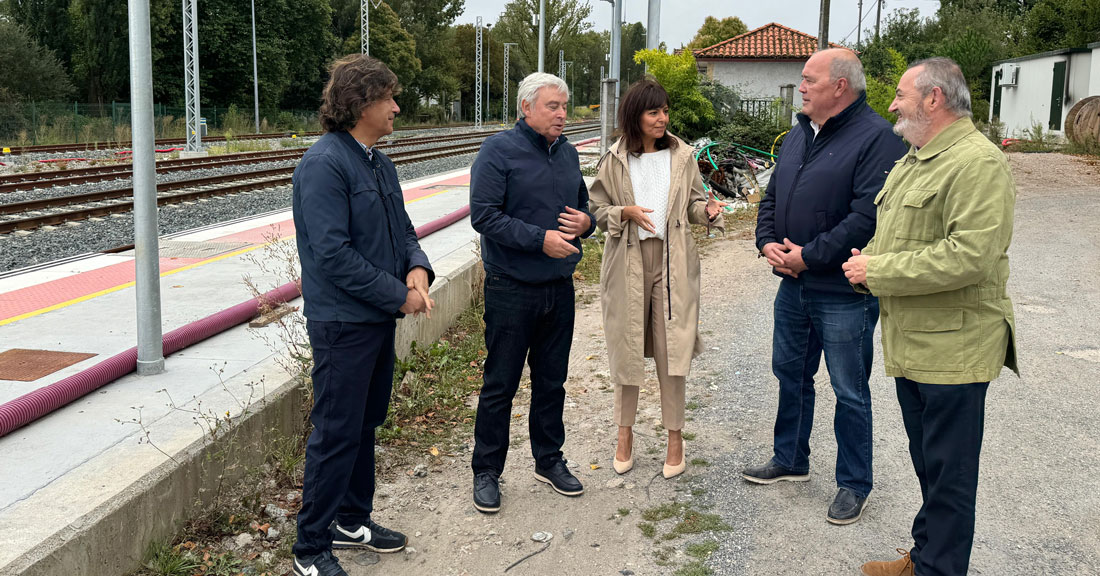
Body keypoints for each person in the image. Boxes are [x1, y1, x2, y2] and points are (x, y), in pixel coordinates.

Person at [845, 57, 1018, 576]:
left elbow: (970, 256)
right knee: (931, 471)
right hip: (918, 345)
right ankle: (924, 560)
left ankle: (938, 571)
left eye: (900, 94)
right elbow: (895, 234)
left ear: (934, 99)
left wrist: (878, 269)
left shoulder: (977, 163)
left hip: (955, 351)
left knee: (950, 478)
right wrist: (866, 260)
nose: (892, 104)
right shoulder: (918, 158)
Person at [744, 48, 907, 525]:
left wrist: (808, 257)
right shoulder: (799, 133)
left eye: (809, 79)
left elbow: (866, 217)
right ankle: (790, 459)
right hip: (792, 285)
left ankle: (854, 483)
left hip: (842, 292)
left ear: (840, 86)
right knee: (790, 375)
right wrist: (766, 243)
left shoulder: (877, 138)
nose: (801, 87)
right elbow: (772, 195)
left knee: (849, 388)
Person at [290, 54, 434, 576]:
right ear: (359, 104)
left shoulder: (379, 161)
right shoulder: (325, 164)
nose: (397, 107)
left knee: (363, 423)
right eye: (389, 98)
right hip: (342, 323)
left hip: (373, 318)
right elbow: (332, 254)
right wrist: (399, 295)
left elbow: (404, 232)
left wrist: (417, 270)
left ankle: (352, 520)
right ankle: (310, 549)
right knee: (335, 431)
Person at [468, 72, 597, 514]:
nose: (562, 114)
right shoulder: (497, 151)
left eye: (564, 106)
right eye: (552, 107)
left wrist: (588, 223)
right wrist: (538, 238)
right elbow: (484, 216)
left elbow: (582, 208)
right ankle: (486, 470)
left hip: (558, 288)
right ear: (526, 108)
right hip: (511, 287)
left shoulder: (566, 155)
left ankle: (549, 459)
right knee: (500, 383)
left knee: (552, 381)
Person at [587, 78, 725, 480]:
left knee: (672, 351)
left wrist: (708, 212)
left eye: (665, 110)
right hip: (627, 258)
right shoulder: (613, 159)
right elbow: (596, 210)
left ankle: (675, 438)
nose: (662, 118)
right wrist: (622, 212)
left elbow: (696, 202)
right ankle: (624, 435)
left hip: (673, 259)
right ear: (635, 116)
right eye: (653, 112)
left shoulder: (682, 155)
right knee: (626, 349)